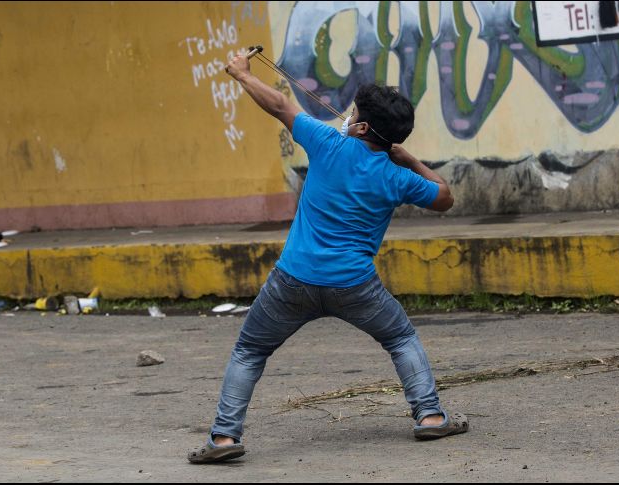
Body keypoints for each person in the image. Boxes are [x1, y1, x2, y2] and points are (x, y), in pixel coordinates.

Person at [188, 53, 469, 464]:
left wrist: (241, 74)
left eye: (354, 110)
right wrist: (406, 158)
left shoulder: (326, 143)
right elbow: (444, 196)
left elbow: (281, 105)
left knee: (249, 351)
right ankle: (428, 416)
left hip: (292, 280)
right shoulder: (397, 176)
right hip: (354, 285)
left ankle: (225, 439)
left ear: (361, 125)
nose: (348, 114)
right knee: (401, 338)